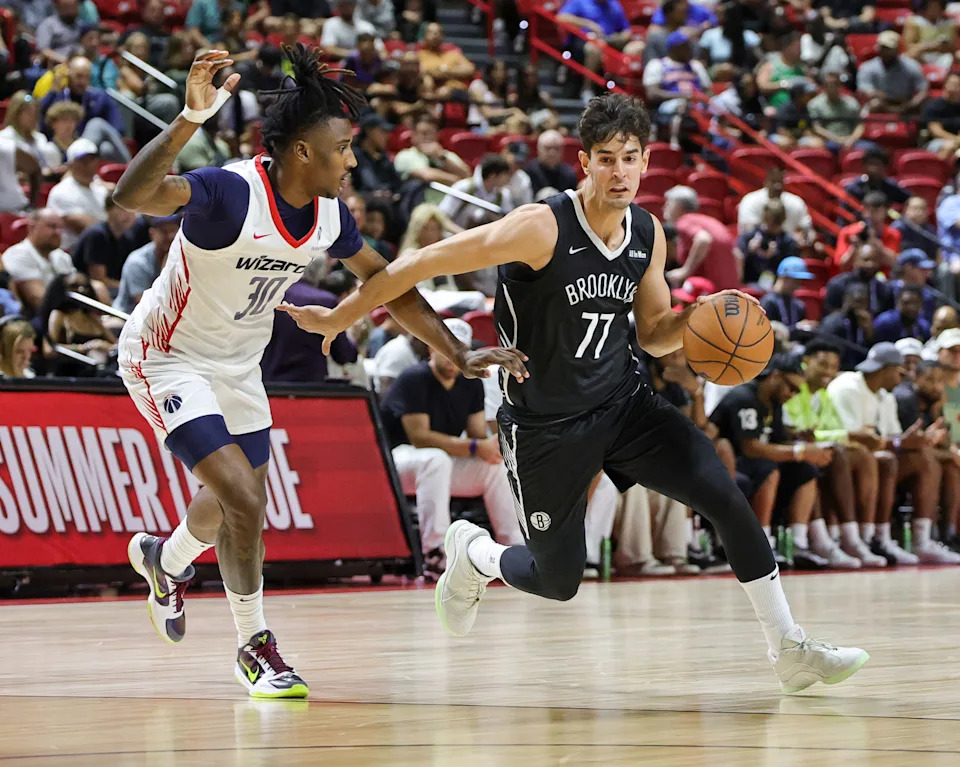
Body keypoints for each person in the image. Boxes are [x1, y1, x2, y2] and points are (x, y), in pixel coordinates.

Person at [280, 93, 869, 693]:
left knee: (723, 495)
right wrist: (340, 317)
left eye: (630, 158)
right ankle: (475, 552)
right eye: (606, 159)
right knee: (556, 579)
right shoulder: (540, 226)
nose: (619, 172)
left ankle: (789, 648)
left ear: (646, 162)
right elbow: (418, 263)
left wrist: (696, 319)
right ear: (584, 162)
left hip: (623, 404)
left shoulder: (647, 232)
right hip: (545, 424)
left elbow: (653, 333)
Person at [111, 45, 526, 699]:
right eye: (342, 148)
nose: (353, 161)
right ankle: (254, 646)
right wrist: (189, 120)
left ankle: (166, 561)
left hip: (238, 365)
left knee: (229, 505)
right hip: (168, 356)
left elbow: (389, 285)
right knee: (245, 500)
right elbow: (131, 195)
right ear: (303, 152)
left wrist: (457, 350)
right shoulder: (230, 192)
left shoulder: (331, 217)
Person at [381, 318, 524, 575]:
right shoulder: (414, 378)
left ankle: (514, 547)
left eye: (458, 351)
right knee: (435, 459)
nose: (451, 358)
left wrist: (492, 446)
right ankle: (435, 551)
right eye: (445, 349)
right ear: (431, 348)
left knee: (493, 465)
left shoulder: (471, 382)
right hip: (395, 464)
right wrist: (475, 447)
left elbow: (477, 435)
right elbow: (420, 438)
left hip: (440, 465)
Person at [709, 353, 857, 570]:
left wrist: (803, 446)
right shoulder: (744, 398)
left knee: (805, 470)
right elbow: (750, 447)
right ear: (775, 376)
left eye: (797, 391)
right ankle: (762, 544)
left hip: (756, 463)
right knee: (770, 469)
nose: (792, 394)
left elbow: (777, 441)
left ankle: (799, 543)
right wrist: (800, 451)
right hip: (729, 464)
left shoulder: (774, 403)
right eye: (791, 388)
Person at [829, 342, 956, 564]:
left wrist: (915, 441)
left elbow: (893, 438)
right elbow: (856, 440)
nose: (902, 378)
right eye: (899, 371)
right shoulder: (848, 387)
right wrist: (899, 442)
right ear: (886, 370)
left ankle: (921, 541)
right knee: (883, 460)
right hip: (842, 456)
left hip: (873, 457)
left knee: (923, 459)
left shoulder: (885, 396)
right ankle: (867, 538)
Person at [782, 338, 888, 567]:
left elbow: (830, 431)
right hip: (791, 452)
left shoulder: (824, 395)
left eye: (833, 367)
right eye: (823, 365)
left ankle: (859, 537)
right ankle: (828, 540)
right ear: (805, 361)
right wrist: (842, 436)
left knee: (860, 455)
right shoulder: (792, 390)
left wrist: (843, 438)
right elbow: (795, 433)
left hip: (817, 451)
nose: (829, 372)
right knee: (835, 456)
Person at [261, 259, 358, 382]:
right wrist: (353, 336)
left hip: (267, 381)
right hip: (310, 384)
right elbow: (344, 354)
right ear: (321, 273)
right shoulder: (325, 300)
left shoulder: (270, 295)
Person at [662, 185, 741, 290]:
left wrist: (685, 271)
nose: (664, 208)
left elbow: (703, 239)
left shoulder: (683, 221)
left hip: (709, 292)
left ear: (679, 206)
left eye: (668, 204)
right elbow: (738, 254)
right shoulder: (711, 221)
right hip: (730, 291)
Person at [1, 208, 75, 315]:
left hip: (67, 314)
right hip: (39, 319)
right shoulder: (19, 255)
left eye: (61, 228)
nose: (58, 232)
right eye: (52, 226)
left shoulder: (62, 256)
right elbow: (40, 302)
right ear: (32, 227)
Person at [46, 138, 110, 253]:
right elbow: (86, 227)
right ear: (71, 165)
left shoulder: (101, 189)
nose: (89, 165)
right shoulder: (62, 191)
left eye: (92, 159)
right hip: (73, 253)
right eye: (83, 161)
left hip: (103, 248)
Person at [113, 215, 181, 314]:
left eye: (173, 230)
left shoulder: (179, 256)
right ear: (152, 234)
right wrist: (165, 270)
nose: (170, 236)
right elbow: (145, 307)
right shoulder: (137, 262)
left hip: (164, 314)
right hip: (128, 315)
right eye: (164, 231)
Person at [856, 31, 928, 117]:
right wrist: (889, 98)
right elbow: (865, 92)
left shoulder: (911, 65)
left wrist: (911, 104)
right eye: (883, 47)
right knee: (874, 104)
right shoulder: (867, 67)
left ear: (897, 49)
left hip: (905, 105)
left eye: (888, 48)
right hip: (881, 104)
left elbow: (923, 90)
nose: (885, 51)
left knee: (925, 107)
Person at [736, 200, 800, 289]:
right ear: (764, 218)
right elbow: (737, 265)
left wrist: (774, 256)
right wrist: (750, 251)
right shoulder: (749, 236)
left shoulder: (788, 242)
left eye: (776, 223)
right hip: (749, 284)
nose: (772, 226)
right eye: (769, 222)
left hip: (776, 287)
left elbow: (791, 271)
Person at [738, 167, 812, 237]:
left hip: (790, 244)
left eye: (780, 182)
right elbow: (747, 231)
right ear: (766, 182)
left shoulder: (796, 203)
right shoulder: (751, 200)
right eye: (773, 181)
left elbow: (806, 230)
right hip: (758, 243)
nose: (777, 186)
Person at [759, 257, 812, 329]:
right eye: (795, 280)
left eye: (800, 281)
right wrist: (796, 328)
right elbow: (766, 331)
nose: (798, 285)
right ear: (783, 277)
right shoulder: (768, 302)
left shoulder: (799, 305)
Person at [525, 129, 578, 195]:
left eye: (556, 148)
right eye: (548, 148)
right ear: (538, 149)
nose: (552, 153)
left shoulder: (569, 173)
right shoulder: (528, 172)